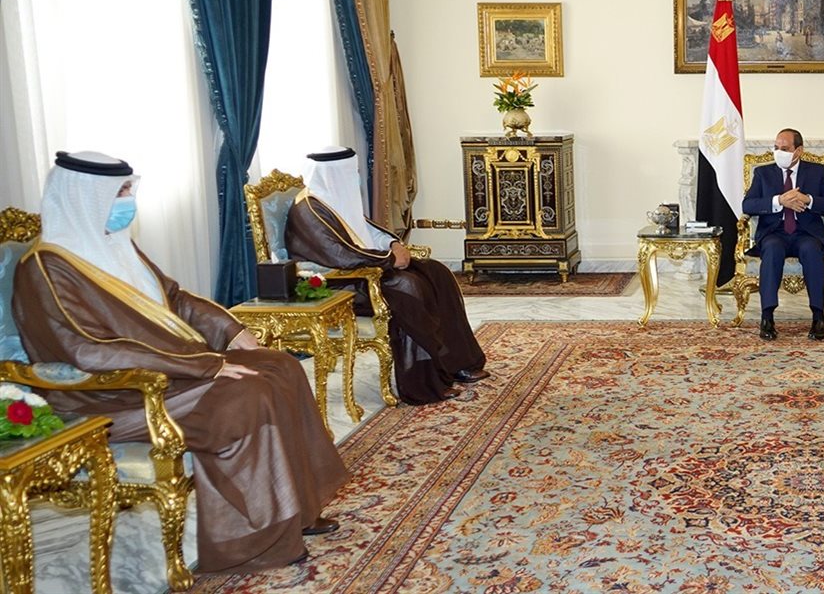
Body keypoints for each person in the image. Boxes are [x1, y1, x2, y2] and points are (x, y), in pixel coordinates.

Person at [13, 151, 348, 573]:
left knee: (281, 366)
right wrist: (206, 366)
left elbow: (176, 299)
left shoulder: (113, 247)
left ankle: (298, 511)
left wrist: (231, 332)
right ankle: (254, 542)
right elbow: (89, 351)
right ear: (83, 198)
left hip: (171, 370)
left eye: (128, 190)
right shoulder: (44, 269)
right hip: (113, 395)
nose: (127, 201)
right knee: (246, 397)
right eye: (118, 192)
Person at [285, 147, 488, 405]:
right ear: (334, 173)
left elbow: (366, 231)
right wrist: (390, 259)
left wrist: (393, 245)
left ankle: (457, 363)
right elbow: (339, 254)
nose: (356, 177)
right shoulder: (308, 210)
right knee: (408, 289)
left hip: (368, 267)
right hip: (342, 282)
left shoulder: (333, 197)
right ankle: (424, 382)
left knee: (437, 273)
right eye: (351, 172)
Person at [741, 128, 824, 341]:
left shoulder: (818, 172)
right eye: (776, 147)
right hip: (774, 232)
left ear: (798, 151)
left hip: (806, 233)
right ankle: (767, 316)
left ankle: (818, 316)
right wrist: (779, 201)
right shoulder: (763, 173)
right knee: (772, 249)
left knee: (811, 249)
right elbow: (747, 205)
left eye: (784, 149)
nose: (779, 152)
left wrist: (808, 199)